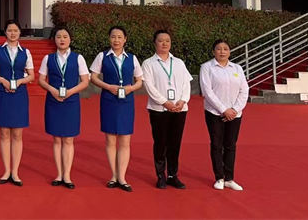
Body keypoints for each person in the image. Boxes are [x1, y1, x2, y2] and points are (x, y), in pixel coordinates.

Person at [90, 25, 143, 192]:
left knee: (125, 140)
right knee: (110, 140)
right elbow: (93, 77)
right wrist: (108, 86)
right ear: (109, 38)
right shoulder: (102, 56)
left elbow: (139, 81)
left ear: (125, 39)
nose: (116, 40)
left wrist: (130, 88)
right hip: (109, 100)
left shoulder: (132, 58)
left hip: (126, 102)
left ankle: (122, 177)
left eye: (120, 37)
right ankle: (113, 175)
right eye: (113, 37)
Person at [37, 27, 90, 190]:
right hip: (53, 101)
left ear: (70, 39)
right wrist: (52, 90)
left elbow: (85, 81)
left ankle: (67, 175)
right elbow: (41, 80)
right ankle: (59, 174)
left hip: (71, 102)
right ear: (54, 39)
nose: (62, 39)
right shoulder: (48, 58)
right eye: (59, 36)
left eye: (65, 36)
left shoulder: (78, 58)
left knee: (68, 139)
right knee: (56, 139)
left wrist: (70, 92)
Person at [0, 19, 35, 186]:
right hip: (2, 93)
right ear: (5, 32)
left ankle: (15, 172)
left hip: (19, 95)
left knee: (18, 134)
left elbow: (32, 75)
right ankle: (6, 170)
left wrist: (20, 81)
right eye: (9, 30)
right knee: (4, 133)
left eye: (15, 30)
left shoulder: (26, 52)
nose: (12, 33)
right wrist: (2, 80)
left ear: (20, 32)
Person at [141, 30, 192, 190]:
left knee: (175, 143)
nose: (164, 43)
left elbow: (186, 83)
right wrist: (164, 102)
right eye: (161, 40)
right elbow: (149, 86)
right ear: (154, 42)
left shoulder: (178, 63)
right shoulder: (148, 63)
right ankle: (160, 175)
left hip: (179, 109)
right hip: (159, 109)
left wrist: (182, 101)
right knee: (161, 142)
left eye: (167, 41)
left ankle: (172, 175)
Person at [200, 39, 248, 191]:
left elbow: (244, 90)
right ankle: (219, 177)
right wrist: (223, 110)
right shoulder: (207, 68)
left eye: (225, 49)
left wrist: (234, 109)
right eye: (219, 49)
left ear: (229, 52)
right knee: (216, 144)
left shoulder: (237, 68)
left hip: (234, 114)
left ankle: (229, 178)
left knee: (230, 145)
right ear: (213, 51)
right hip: (214, 112)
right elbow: (207, 91)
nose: (222, 52)